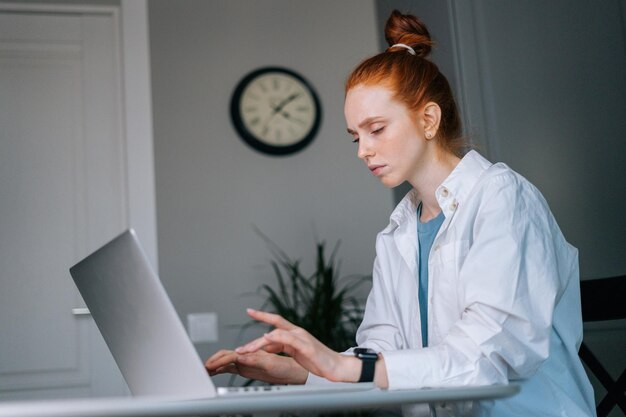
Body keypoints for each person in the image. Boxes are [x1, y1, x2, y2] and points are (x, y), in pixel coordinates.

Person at [206, 10, 596, 417]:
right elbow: (381, 356)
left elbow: (491, 353)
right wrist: (295, 371)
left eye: (376, 129)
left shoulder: (503, 198)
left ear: (428, 119)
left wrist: (345, 366)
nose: (363, 150)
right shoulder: (399, 232)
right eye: (356, 136)